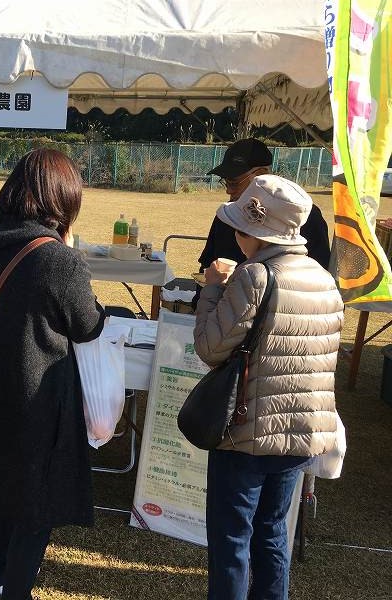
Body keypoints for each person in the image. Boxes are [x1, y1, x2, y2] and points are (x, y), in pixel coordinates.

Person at [0, 149, 106, 600]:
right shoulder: (59, 258)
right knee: (37, 502)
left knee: (5, 485)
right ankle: (16, 586)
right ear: (61, 199)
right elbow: (87, 324)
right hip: (40, 395)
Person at [195, 174, 344, 599]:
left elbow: (210, 346)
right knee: (272, 534)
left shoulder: (255, 276)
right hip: (301, 432)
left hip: (247, 433)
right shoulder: (323, 278)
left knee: (232, 541)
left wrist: (212, 290)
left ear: (253, 232)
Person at [200, 138, 331, 271]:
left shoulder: (302, 215)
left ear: (262, 174)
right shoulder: (228, 214)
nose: (228, 190)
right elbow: (207, 263)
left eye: (234, 183)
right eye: (225, 182)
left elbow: (320, 268)